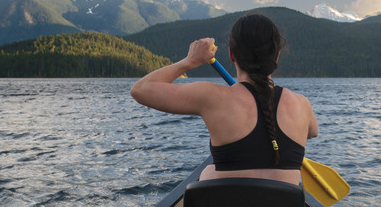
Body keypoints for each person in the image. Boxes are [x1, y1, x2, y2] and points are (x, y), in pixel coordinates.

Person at [130, 12, 318, 185]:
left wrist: (190, 61)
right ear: (277, 56)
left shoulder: (213, 97)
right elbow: (312, 132)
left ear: (231, 54)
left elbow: (140, 89)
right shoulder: (302, 104)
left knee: (208, 171)